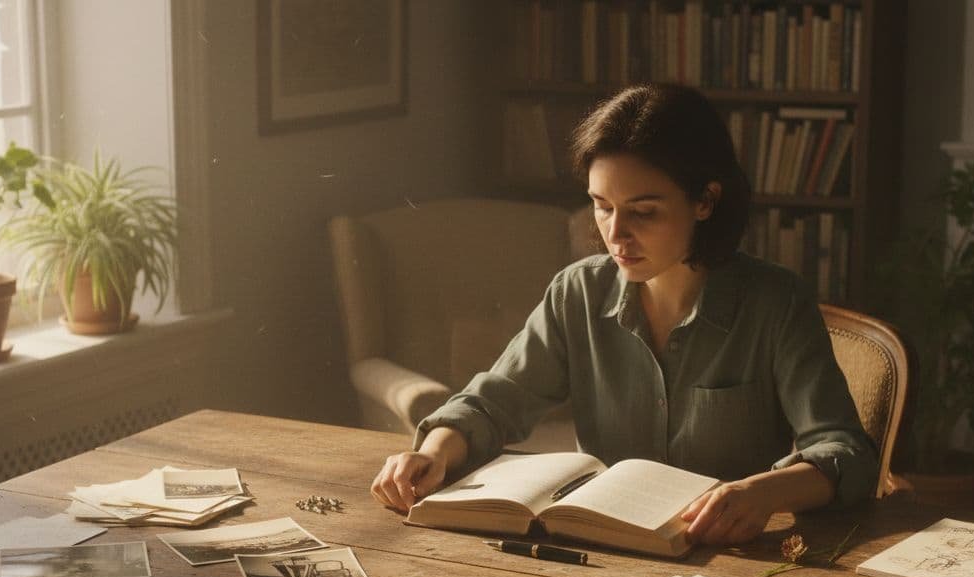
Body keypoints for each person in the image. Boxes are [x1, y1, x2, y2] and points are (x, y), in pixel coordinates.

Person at [371, 83, 877, 546]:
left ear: (705, 200)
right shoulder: (579, 293)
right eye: (602, 206)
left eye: (643, 211)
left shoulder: (775, 303)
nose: (615, 235)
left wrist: (761, 494)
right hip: (599, 549)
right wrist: (433, 453)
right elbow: (492, 403)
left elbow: (846, 454)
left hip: (725, 558)